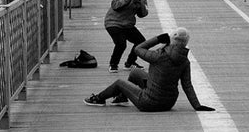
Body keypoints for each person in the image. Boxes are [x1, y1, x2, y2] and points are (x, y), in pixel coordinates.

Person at [85, 28, 213, 113]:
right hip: (168, 103)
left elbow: (138, 48)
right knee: (135, 72)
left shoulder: (159, 56)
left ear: (171, 39)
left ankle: (99, 99)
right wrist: (197, 106)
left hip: (148, 103)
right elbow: (187, 85)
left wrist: (157, 39)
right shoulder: (185, 61)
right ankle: (122, 98)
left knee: (119, 82)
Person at [103, 0, 149, 70]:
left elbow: (143, 14)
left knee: (141, 42)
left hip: (127, 24)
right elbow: (115, 6)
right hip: (113, 22)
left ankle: (130, 62)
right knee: (121, 43)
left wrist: (140, 3)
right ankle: (113, 65)